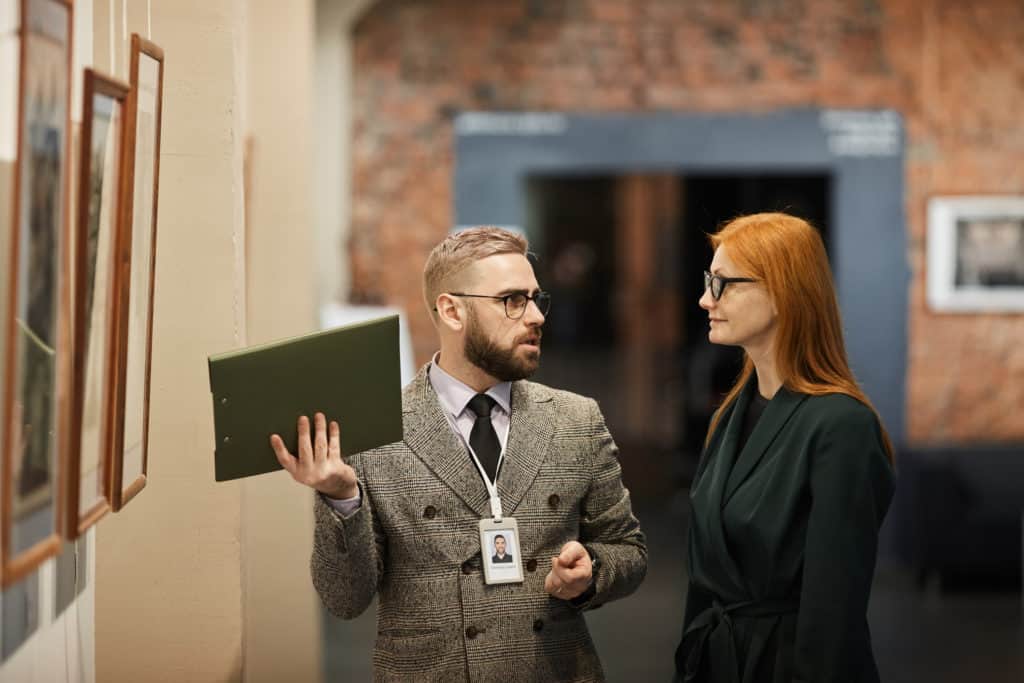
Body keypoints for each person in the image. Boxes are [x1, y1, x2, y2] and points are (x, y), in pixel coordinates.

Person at [271, 226, 647, 682]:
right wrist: (341, 497)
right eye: (512, 300)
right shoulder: (376, 431)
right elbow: (344, 599)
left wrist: (593, 571)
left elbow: (627, 550)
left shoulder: (575, 420)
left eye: (536, 299)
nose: (535, 317)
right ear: (452, 310)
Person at [674, 213, 896, 683]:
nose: (704, 299)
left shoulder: (842, 426)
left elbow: (834, 612)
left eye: (723, 283)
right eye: (707, 281)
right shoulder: (727, 417)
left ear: (782, 291)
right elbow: (704, 585)